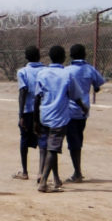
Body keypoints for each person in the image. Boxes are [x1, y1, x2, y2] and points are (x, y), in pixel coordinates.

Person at [34, 45, 87, 193]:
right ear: (64, 58)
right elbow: (75, 96)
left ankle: (56, 179)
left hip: (44, 115)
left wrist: (35, 120)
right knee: (53, 149)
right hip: (59, 118)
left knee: (51, 148)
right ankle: (43, 182)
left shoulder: (42, 73)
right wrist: (83, 107)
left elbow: (37, 98)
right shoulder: (67, 75)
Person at [64, 43, 105, 182]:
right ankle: (77, 171)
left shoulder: (67, 70)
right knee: (78, 139)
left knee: (72, 142)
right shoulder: (90, 69)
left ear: (70, 56)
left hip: (69, 110)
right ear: (85, 55)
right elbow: (98, 85)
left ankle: (77, 173)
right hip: (84, 110)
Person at [14, 46, 44, 180]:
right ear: (39, 56)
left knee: (24, 139)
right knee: (43, 139)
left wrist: (20, 114)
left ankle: (25, 171)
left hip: (27, 110)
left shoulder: (23, 72)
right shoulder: (46, 70)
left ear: (26, 57)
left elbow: (23, 92)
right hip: (43, 110)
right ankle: (41, 171)